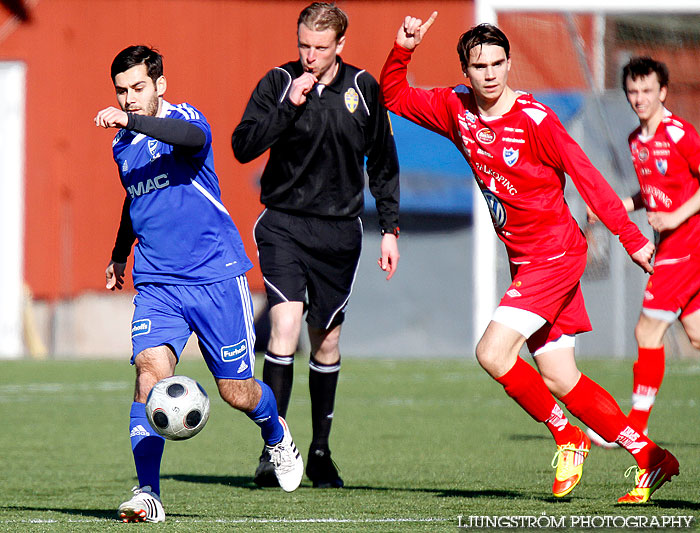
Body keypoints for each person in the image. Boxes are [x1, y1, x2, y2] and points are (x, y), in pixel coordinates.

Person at [380, 13, 678, 504]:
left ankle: (569, 437)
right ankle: (651, 457)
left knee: (493, 353)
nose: (491, 73)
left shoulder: (536, 121)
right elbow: (393, 95)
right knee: (561, 376)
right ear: (466, 71)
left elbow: (589, 180)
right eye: (480, 65)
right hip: (527, 260)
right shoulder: (456, 109)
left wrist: (632, 237)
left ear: (509, 63)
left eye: (499, 62)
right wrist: (402, 48)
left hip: (555, 255)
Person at [95, 45, 303, 523]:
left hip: (214, 278)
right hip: (159, 285)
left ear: (160, 85)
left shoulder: (184, 120)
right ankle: (148, 493)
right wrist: (118, 253)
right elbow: (134, 200)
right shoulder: (122, 145)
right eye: (122, 92)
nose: (129, 99)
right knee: (148, 374)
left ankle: (275, 433)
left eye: (138, 88)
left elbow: (188, 136)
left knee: (236, 392)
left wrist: (130, 121)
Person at [232, 2, 400, 489]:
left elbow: (383, 163)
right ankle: (275, 449)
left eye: (320, 48)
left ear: (340, 46)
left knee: (327, 339)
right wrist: (289, 107)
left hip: (340, 231)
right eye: (303, 45)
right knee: (283, 325)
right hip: (283, 224)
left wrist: (389, 228)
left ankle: (321, 452)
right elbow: (243, 146)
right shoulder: (278, 83)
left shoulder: (364, 89)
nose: (309, 55)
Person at [586, 57, 700, 449]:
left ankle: (634, 425)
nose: (640, 98)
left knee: (645, 330)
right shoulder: (637, 141)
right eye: (633, 92)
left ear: (662, 92)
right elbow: (651, 193)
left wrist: (674, 217)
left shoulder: (680, 134)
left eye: (647, 90)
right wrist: (618, 204)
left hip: (688, 245)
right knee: (697, 335)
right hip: (672, 245)